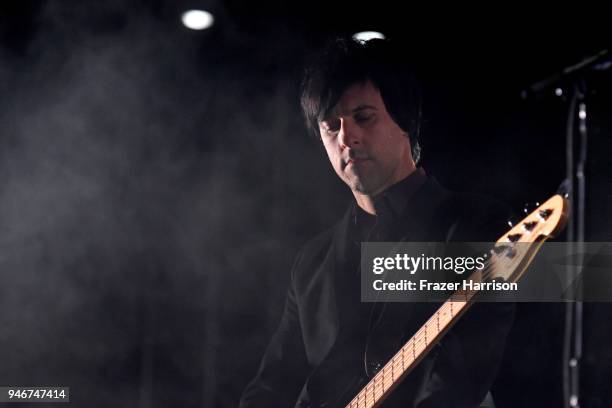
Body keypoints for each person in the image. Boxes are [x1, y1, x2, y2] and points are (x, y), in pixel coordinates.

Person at [239, 37, 515, 408]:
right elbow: (270, 387)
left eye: (363, 117)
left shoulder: (478, 226)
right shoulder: (312, 263)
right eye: (330, 126)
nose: (346, 137)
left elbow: (463, 376)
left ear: (405, 120)